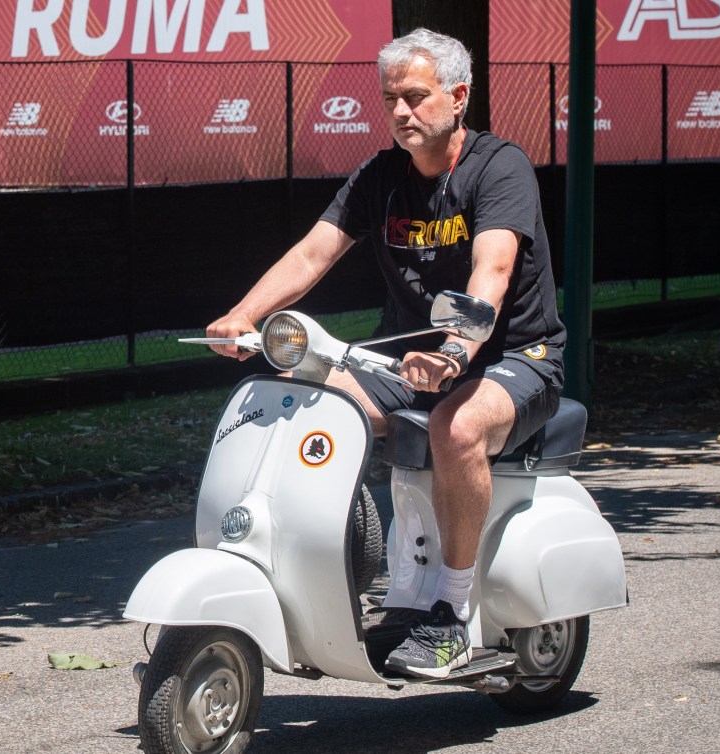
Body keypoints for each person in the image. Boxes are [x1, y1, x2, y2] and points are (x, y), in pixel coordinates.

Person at [206, 28, 565, 679]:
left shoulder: (498, 167)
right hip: (411, 364)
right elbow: (312, 253)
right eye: (390, 98)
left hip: (516, 359)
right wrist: (243, 314)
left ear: (459, 96)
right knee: (315, 409)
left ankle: (450, 614)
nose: (401, 111)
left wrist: (457, 350)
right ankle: (328, 575)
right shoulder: (381, 178)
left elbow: (494, 267)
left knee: (457, 429)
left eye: (416, 96)